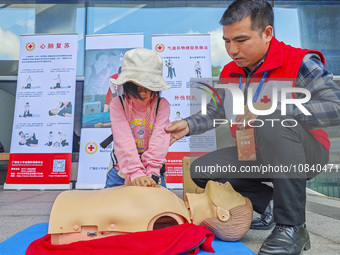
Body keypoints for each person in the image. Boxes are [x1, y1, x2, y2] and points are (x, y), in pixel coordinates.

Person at [165, 1, 340, 255]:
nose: (231, 50)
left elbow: (335, 106)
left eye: (241, 40)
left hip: (304, 153)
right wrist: (187, 125)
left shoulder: (300, 61)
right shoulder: (229, 71)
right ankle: (271, 204)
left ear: (267, 33)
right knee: (201, 170)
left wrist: (271, 108)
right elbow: (217, 111)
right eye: (226, 41)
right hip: (254, 153)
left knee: (270, 119)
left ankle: (292, 227)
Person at [105, 48, 172, 188]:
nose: (143, 92)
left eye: (148, 86)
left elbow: (160, 139)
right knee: (112, 209)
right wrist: (135, 173)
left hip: (153, 172)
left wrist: (152, 172)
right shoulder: (118, 104)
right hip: (121, 172)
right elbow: (123, 140)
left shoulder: (161, 105)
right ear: (128, 85)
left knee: (159, 209)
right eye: (137, 87)